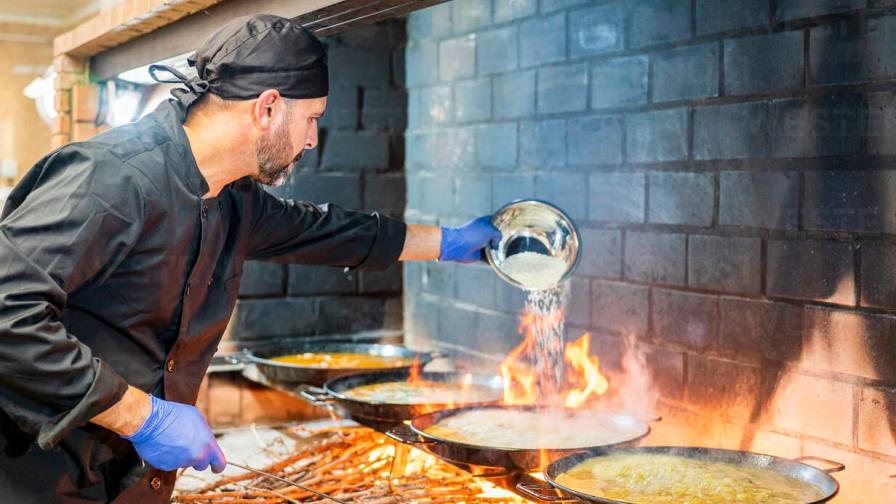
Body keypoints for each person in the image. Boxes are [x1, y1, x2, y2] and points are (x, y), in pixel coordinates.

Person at [0, 14, 499, 503]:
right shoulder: (110, 178)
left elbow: (327, 231)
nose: (311, 139)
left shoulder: (232, 199)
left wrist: (450, 243)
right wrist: (141, 416)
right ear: (267, 108)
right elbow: (8, 312)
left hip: (123, 479)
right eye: (312, 118)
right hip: (34, 477)